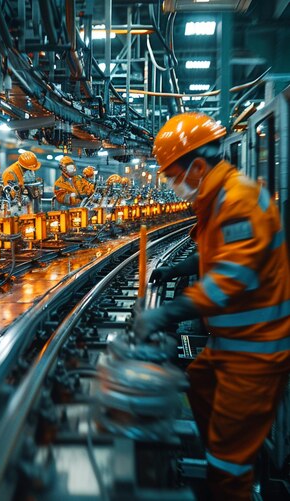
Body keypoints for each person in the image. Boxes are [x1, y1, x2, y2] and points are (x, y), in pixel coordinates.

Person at [133, 112, 290, 500]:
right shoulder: (217, 198)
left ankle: (232, 479)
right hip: (229, 341)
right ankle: (224, 448)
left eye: (172, 176)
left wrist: (164, 314)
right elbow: (214, 257)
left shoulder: (238, 201)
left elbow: (226, 284)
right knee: (197, 383)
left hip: (255, 351)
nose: (172, 185)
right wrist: (173, 271)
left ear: (198, 166)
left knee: (227, 463)